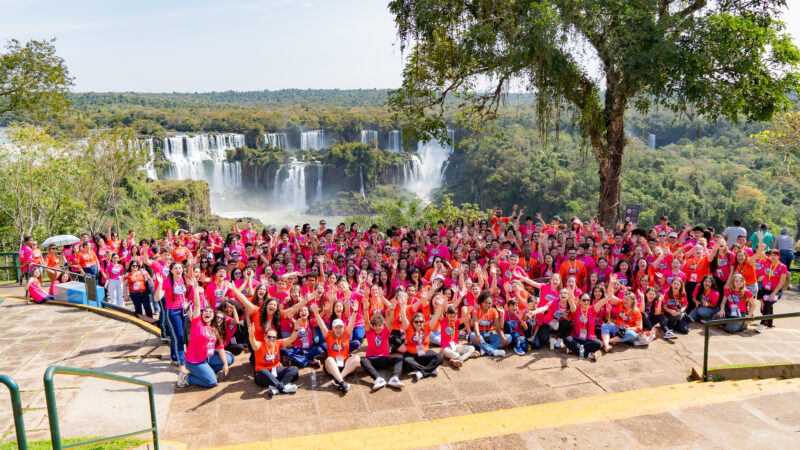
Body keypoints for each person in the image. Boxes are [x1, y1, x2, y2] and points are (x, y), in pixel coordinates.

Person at [177, 277, 233, 388]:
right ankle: (186, 377)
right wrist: (195, 288)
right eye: (205, 311)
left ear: (213, 317)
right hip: (194, 361)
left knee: (230, 358)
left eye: (210, 312)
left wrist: (225, 365)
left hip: (207, 358)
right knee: (212, 382)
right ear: (202, 315)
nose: (207, 313)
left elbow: (220, 347)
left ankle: (206, 372)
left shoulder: (214, 329)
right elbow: (197, 305)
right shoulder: (197, 323)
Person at [246, 316, 300, 398]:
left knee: (294, 370)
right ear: (264, 337)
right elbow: (253, 342)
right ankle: (283, 387)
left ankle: (275, 388)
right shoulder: (260, 345)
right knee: (263, 371)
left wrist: (296, 329)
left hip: (276, 370)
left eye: (274, 337)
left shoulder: (278, 343)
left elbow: (291, 339)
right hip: (263, 375)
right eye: (269, 336)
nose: (271, 339)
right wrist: (251, 335)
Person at [312, 303, 360, 392]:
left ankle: (337, 379)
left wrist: (355, 312)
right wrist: (316, 314)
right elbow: (322, 325)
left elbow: (352, 322)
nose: (338, 330)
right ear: (332, 328)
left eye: (340, 327)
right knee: (329, 359)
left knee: (357, 358)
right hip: (332, 365)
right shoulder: (328, 334)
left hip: (345, 364)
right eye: (336, 328)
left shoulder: (346, 333)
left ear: (343, 328)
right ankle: (342, 382)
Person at [359, 299, 405, 389]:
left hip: (384, 358)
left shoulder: (385, 331)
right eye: (375, 325)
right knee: (363, 360)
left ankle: (395, 378)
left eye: (379, 325)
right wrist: (365, 309)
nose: (378, 327)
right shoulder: (369, 332)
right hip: (372, 359)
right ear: (373, 326)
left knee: (399, 359)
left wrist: (392, 311)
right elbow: (366, 322)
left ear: (382, 325)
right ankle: (378, 379)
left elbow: (390, 323)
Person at [400, 295, 445, 380]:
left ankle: (422, 372)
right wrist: (402, 306)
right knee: (406, 361)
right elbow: (403, 317)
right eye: (416, 321)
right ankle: (429, 369)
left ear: (424, 322)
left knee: (439, 357)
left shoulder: (427, 327)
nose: (419, 323)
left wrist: (440, 306)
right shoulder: (408, 327)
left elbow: (435, 318)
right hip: (411, 355)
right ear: (413, 322)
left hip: (424, 353)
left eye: (421, 321)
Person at [564, 292, 610, 361]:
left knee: (599, 344)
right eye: (584, 300)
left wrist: (609, 297)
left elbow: (601, 302)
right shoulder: (576, 309)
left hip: (589, 339)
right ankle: (588, 354)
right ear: (580, 301)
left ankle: (576, 349)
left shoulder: (592, 309)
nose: (586, 302)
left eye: (588, 300)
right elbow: (571, 304)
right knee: (566, 339)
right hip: (576, 338)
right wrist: (570, 297)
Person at [469, 290, 510, 357]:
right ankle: (494, 351)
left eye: (490, 303)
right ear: (481, 302)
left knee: (508, 337)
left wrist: (502, 336)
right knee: (472, 335)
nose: (488, 305)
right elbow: (475, 323)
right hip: (480, 335)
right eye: (486, 302)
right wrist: (478, 334)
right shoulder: (476, 310)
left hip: (490, 335)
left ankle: (484, 349)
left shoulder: (494, 311)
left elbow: (498, 327)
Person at [756, 249, 788, 332]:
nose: (773, 257)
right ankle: (770, 323)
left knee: (767, 304)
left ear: (779, 256)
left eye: (775, 255)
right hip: (765, 289)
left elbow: (782, 282)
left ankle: (762, 324)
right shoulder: (768, 262)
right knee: (767, 306)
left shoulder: (782, 267)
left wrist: (773, 293)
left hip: (776, 291)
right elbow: (760, 252)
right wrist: (760, 240)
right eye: (771, 255)